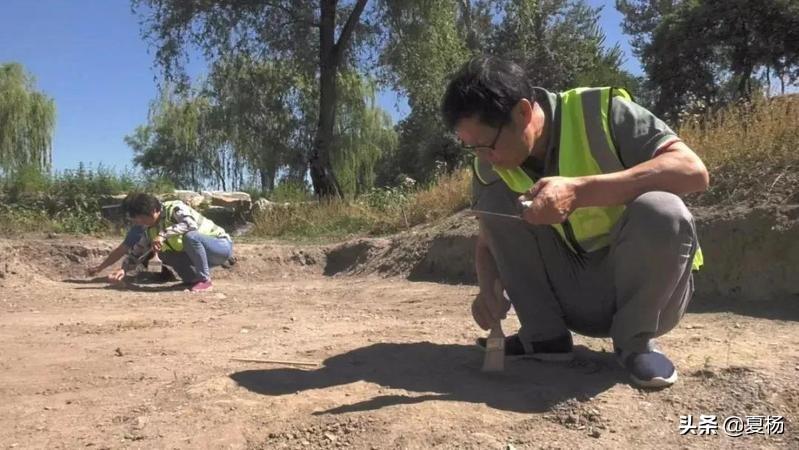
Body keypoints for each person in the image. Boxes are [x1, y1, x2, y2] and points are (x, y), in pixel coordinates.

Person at [441, 56, 708, 388]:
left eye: (488, 146)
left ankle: (635, 342)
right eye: (473, 148)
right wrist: (486, 291)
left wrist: (581, 191)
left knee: (663, 210)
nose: (484, 158)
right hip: (574, 297)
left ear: (523, 112)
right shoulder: (489, 167)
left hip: (648, 295)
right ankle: (543, 337)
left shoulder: (600, 113)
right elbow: (489, 237)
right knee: (495, 208)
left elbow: (693, 172)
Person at [115, 193, 233, 292]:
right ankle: (191, 280)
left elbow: (190, 225)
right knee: (163, 253)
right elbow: (138, 250)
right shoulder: (149, 230)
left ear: (154, 210)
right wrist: (123, 269)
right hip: (197, 255)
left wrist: (163, 235)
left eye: (143, 218)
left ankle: (204, 280)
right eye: (138, 219)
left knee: (190, 236)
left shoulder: (175, 208)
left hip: (220, 247)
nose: (141, 222)